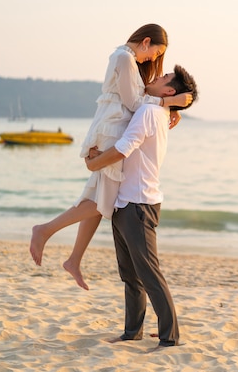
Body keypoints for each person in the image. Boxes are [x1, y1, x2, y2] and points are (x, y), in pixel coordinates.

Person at [29, 24, 192, 290]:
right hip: (112, 129)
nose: (153, 60)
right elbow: (134, 104)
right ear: (146, 41)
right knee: (101, 202)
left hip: (114, 128)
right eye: (155, 53)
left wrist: (169, 107)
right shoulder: (123, 57)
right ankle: (45, 230)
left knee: (98, 197)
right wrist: (168, 103)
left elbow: (138, 99)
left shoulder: (126, 59)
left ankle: (74, 258)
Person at [85, 64, 198, 349]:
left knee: (148, 273)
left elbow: (125, 146)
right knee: (130, 274)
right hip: (126, 201)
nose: (156, 77)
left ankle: (170, 337)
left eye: (163, 78)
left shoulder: (150, 112)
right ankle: (131, 332)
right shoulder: (155, 109)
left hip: (139, 203)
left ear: (169, 91)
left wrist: (93, 163)